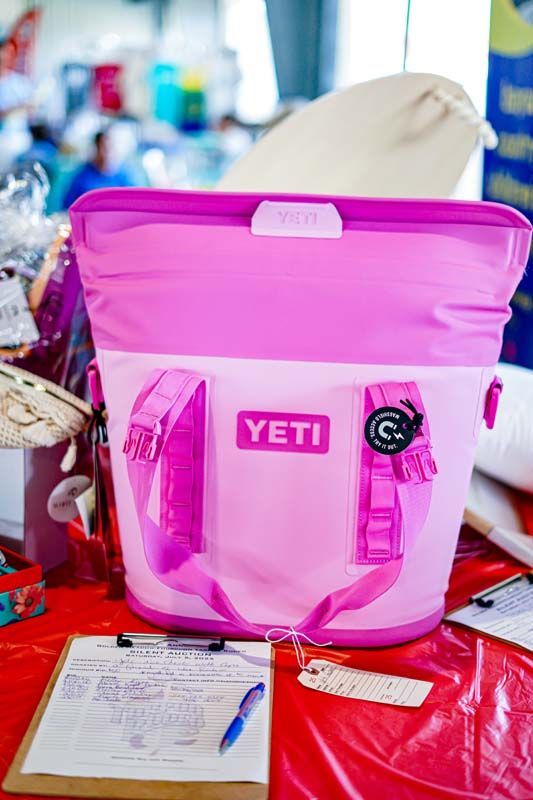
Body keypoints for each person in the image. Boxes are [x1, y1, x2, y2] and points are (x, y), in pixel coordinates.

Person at [62, 130, 135, 208]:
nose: (108, 153)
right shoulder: (82, 177)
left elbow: (134, 202)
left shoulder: (123, 177)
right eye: (104, 148)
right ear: (96, 149)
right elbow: (68, 207)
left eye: (111, 148)